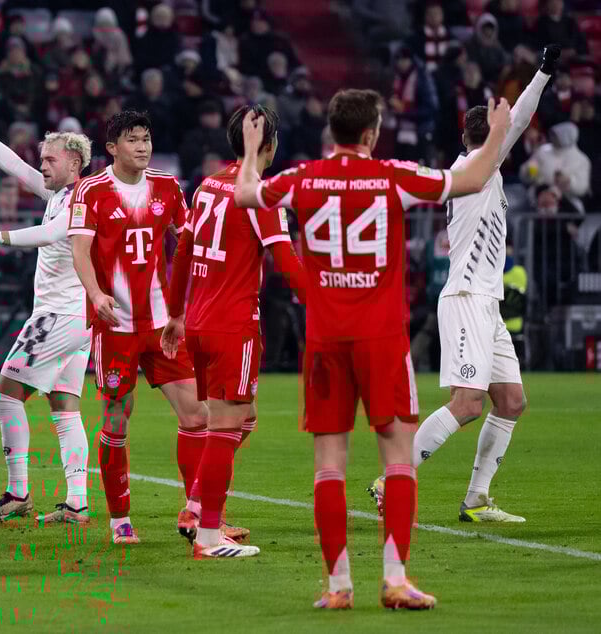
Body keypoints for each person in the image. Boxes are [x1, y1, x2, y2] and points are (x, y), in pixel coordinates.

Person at [234, 90, 513, 608]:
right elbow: (472, 179)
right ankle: (394, 579)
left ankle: (338, 587)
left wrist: (251, 149)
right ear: (370, 133)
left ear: (332, 130)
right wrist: (498, 129)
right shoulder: (392, 175)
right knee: (398, 459)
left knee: (329, 466)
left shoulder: (302, 178)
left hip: (324, 340)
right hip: (382, 338)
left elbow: (246, 194)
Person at [370, 46, 561, 525]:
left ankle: (476, 498)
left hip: (487, 303)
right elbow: (518, 118)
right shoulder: (473, 169)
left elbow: (514, 122)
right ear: (489, 138)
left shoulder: (480, 169)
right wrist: (543, 72)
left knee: (511, 401)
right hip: (465, 298)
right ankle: (390, 480)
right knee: (467, 403)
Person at [160, 104, 305, 558]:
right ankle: (207, 535)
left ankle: (196, 506)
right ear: (271, 145)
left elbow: (182, 251)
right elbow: (286, 263)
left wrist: (175, 313)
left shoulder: (206, 186)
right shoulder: (259, 194)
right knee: (226, 425)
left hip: (199, 321)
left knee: (244, 417)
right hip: (233, 323)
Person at [0, 91, 94, 525]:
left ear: (73, 162)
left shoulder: (82, 198)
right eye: (43, 159)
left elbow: (50, 236)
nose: (42, 165)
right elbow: (13, 164)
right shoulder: (62, 192)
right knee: (64, 407)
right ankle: (78, 502)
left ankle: (18, 491)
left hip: (58, 315)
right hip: (76, 316)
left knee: (5, 397)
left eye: (49, 160)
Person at [67, 110, 209, 545]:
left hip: (164, 326)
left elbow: (187, 243)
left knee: (197, 415)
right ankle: (119, 518)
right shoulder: (90, 191)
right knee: (116, 420)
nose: (143, 146)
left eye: (146, 138)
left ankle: (199, 511)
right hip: (116, 327)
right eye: (133, 140)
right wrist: (95, 295)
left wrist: (190, 304)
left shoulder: (167, 186)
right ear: (112, 148)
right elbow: (80, 250)